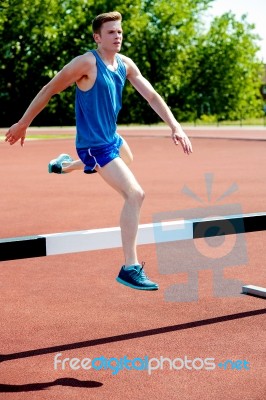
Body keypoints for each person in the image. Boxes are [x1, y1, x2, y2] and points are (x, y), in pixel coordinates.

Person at [5, 11, 193, 291]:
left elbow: (152, 95)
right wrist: (23, 123)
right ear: (97, 37)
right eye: (111, 32)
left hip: (112, 138)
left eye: (119, 32)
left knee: (128, 159)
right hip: (94, 143)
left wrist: (175, 126)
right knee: (135, 194)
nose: (117, 36)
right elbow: (48, 89)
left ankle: (65, 164)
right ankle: (130, 267)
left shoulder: (125, 65)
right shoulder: (85, 63)